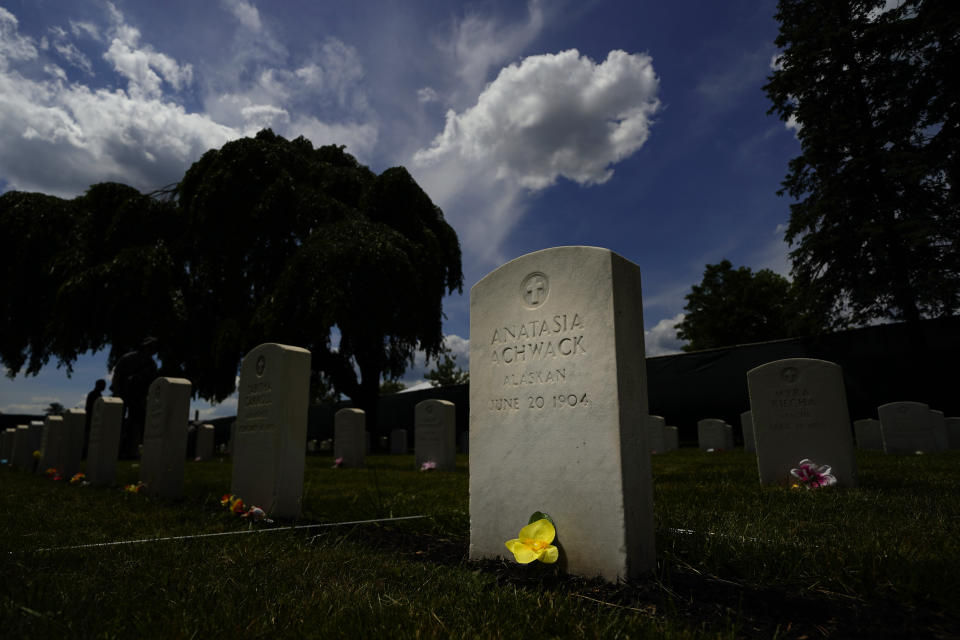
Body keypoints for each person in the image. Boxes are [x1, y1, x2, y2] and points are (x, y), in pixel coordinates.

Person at [110, 337, 159, 459]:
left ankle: (131, 450)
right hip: (122, 394)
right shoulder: (128, 358)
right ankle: (115, 449)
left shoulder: (151, 365)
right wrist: (117, 394)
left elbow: (151, 383)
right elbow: (117, 376)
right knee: (117, 423)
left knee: (135, 425)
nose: (151, 351)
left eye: (153, 349)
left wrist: (145, 398)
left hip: (138, 397)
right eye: (149, 347)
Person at [83, 379, 106, 458]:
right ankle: (86, 453)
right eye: (103, 385)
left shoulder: (97, 394)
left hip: (94, 419)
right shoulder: (94, 394)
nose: (104, 387)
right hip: (91, 419)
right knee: (89, 438)